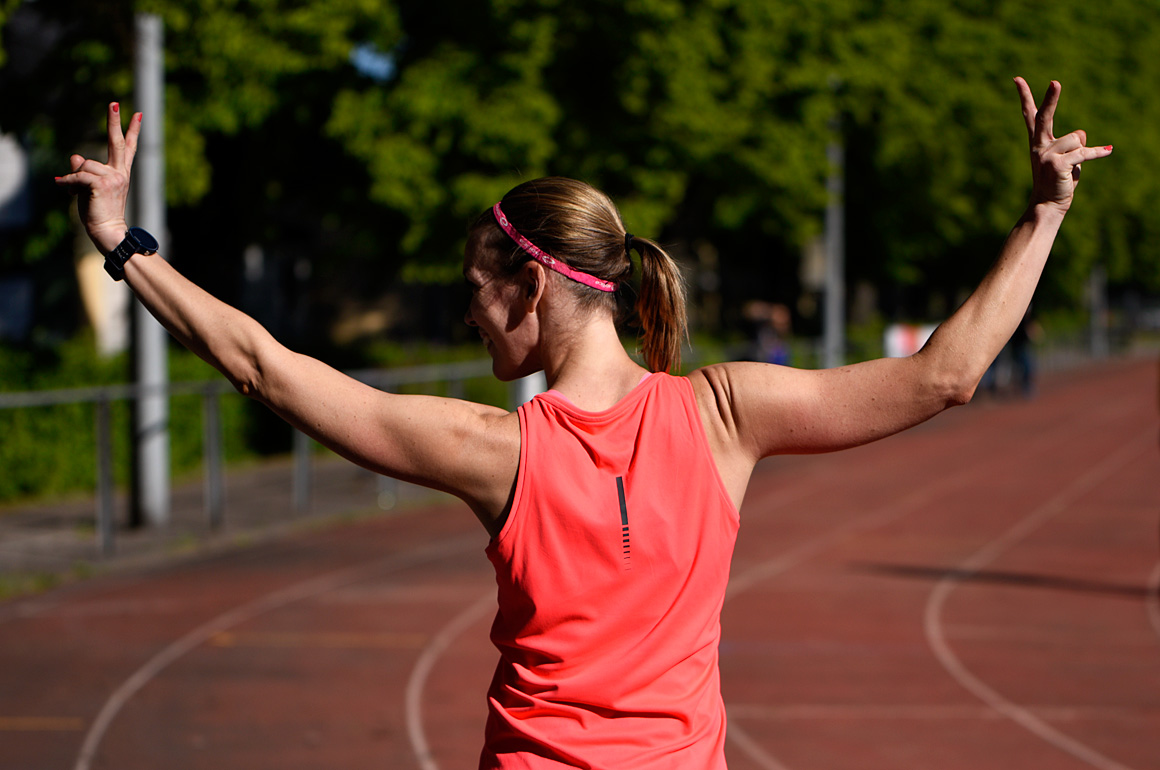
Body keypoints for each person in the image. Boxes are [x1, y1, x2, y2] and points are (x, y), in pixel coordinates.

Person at [57, 78, 1110, 769]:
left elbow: (262, 367)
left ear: (529, 289)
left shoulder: (496, 450)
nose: (467, 314)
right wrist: (1043, 214)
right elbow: (947, 374)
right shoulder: (725, 411)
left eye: (474, 288)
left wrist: (123, 244)